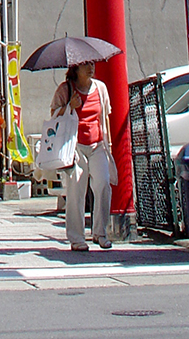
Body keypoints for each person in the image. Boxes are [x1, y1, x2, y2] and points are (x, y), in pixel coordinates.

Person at [51, 61, 113, 251]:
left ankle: (100, 232)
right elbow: (53, 114)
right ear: (75, 69)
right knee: (76, 190)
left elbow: (106, 116)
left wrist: (108, 144)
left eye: (92, 64)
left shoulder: (100, 88)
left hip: (97, 144)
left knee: (103, 183)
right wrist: (69, 106)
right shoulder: (66, 89)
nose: (90, 68)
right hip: (74, 145)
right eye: (85, 65)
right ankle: (77, 238)